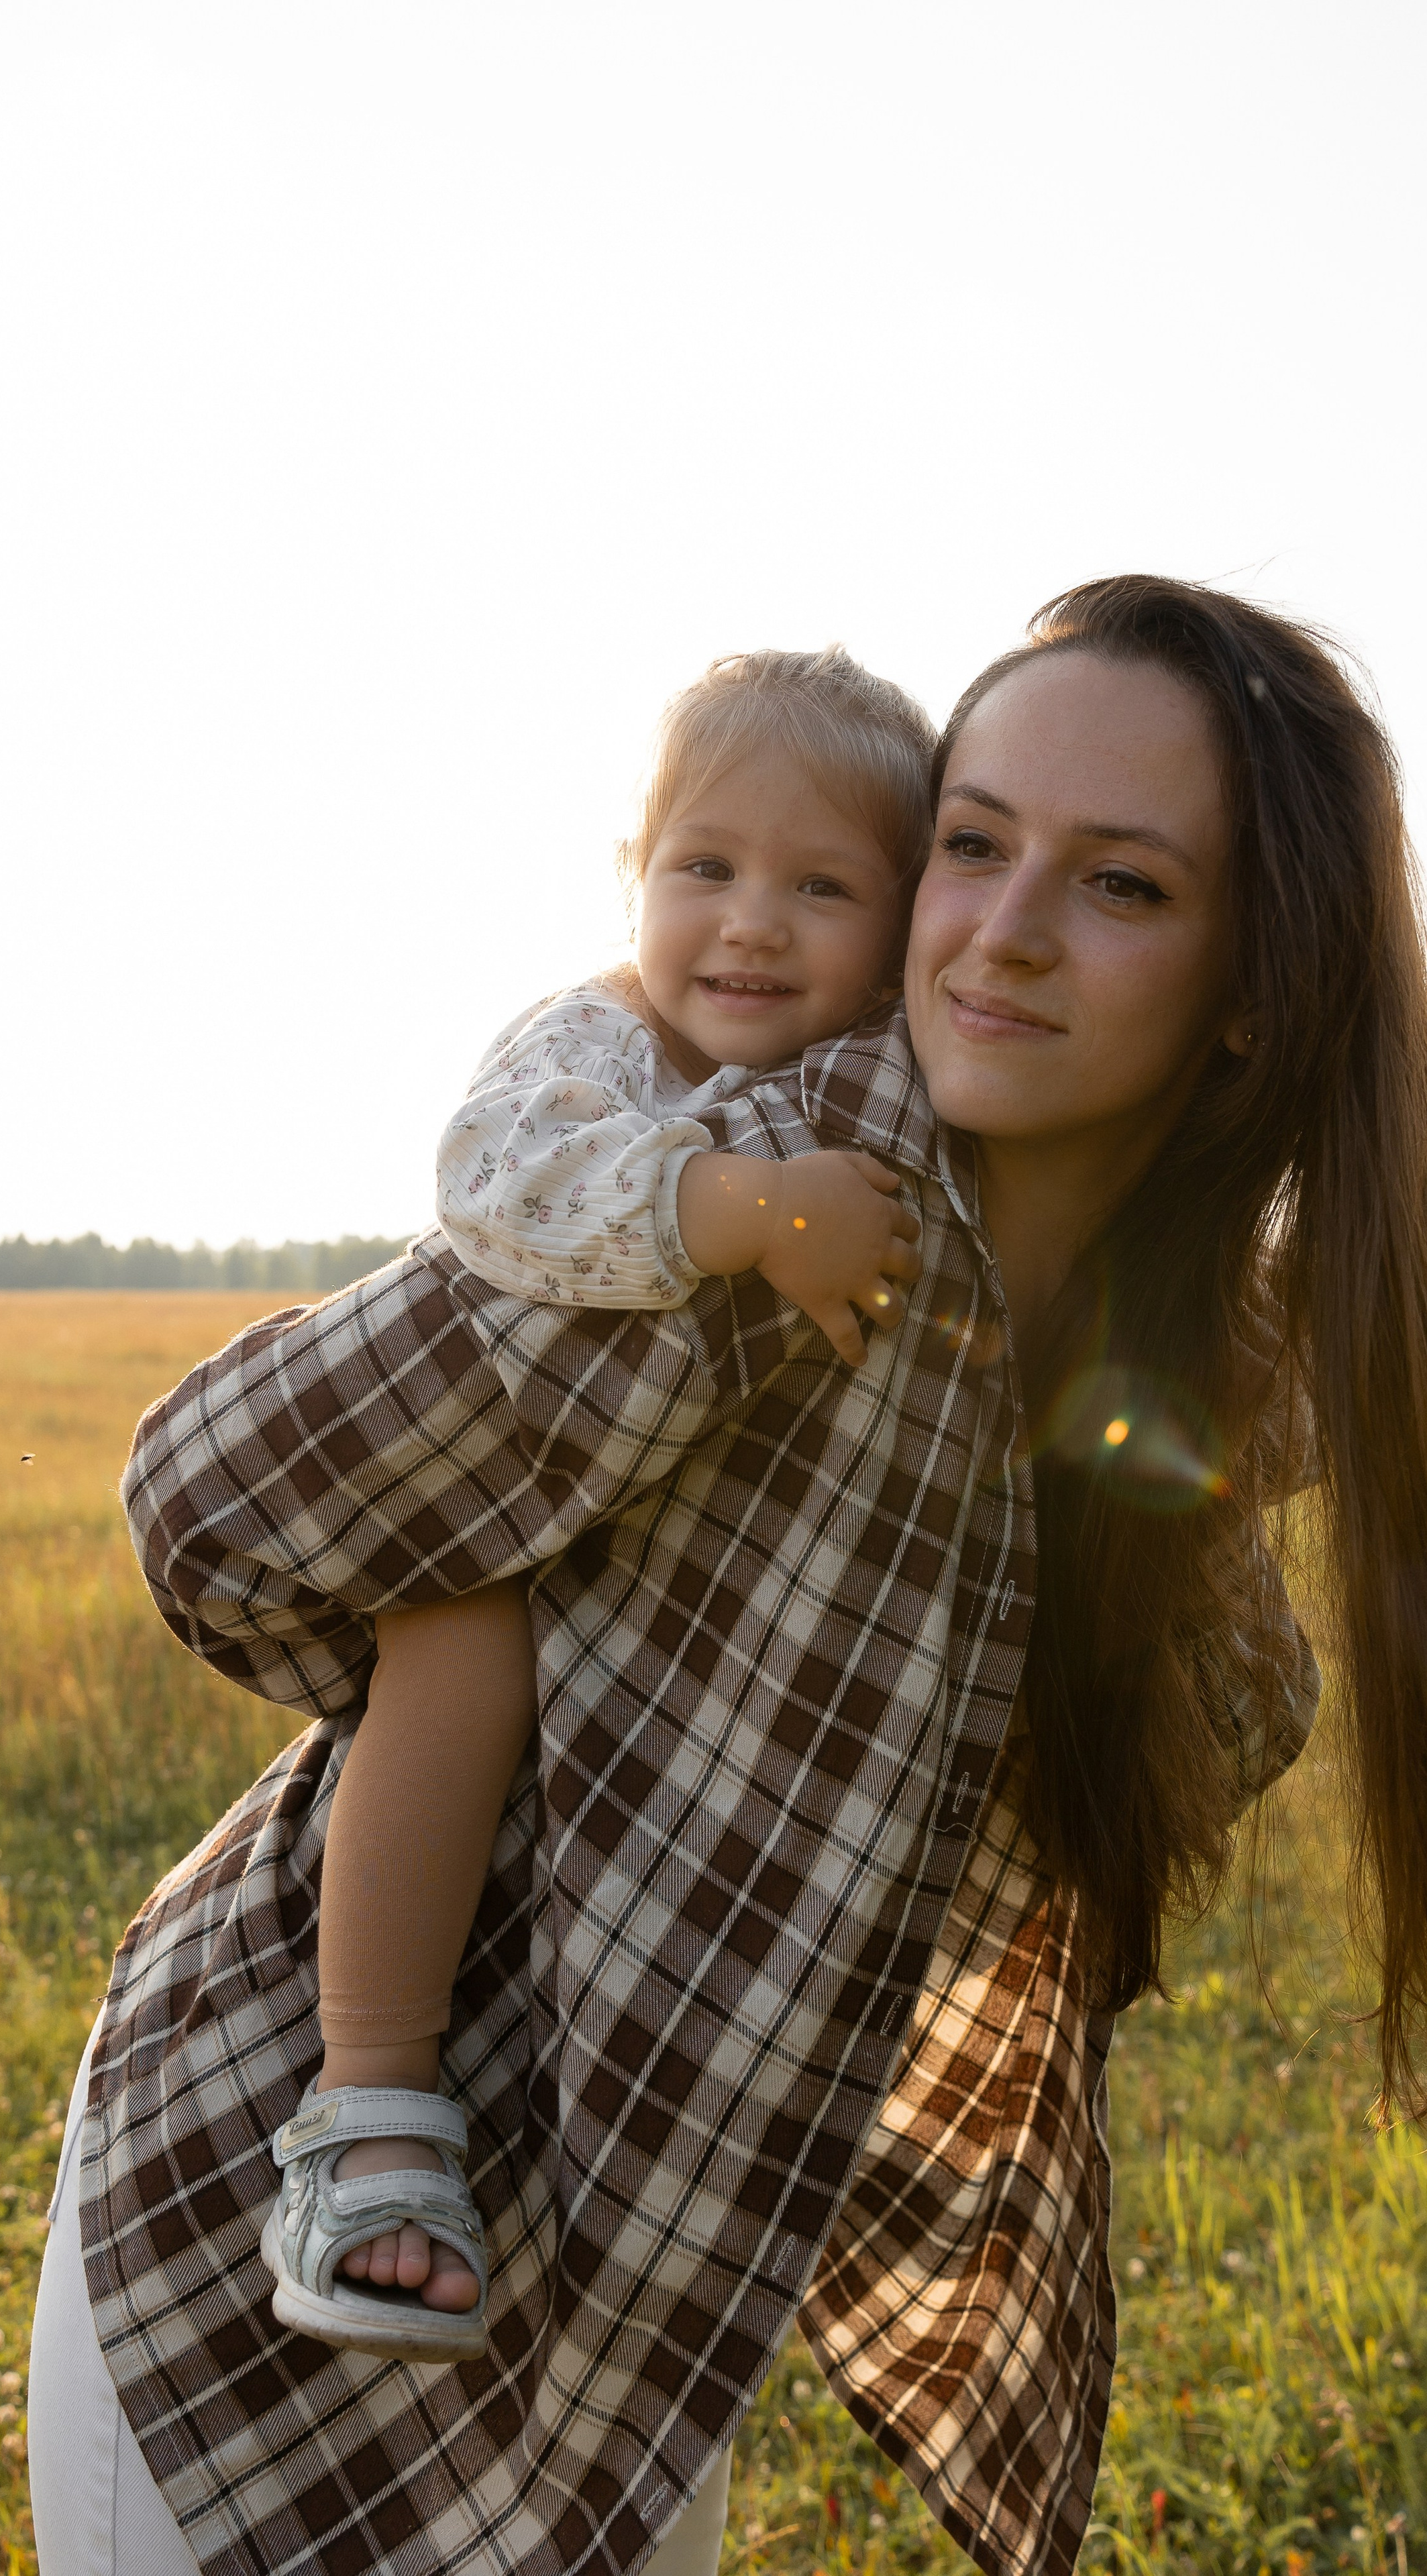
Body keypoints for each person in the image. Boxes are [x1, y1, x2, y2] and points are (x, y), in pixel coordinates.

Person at [28, 578, 1427, 2576]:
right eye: (976, 847)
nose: (1002, 930)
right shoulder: (764, 1205)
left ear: (1257, 988)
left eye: (1121, 887)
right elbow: (212, 1507)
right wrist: (466, 1622)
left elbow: (1127, 1783)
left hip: (633, 2302)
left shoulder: (1167, 1370)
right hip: (276, 2206)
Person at [290, 649, 930, 2353]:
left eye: (820, 887)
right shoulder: (597, 1033)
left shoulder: (883, 1081)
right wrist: (746, 1211)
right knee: (458, 1659)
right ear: (632, 877)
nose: (748, 925)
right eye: (702, 869)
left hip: (670, 1573)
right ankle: (367, 2106)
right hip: (488, 1505)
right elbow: (495, 1182)